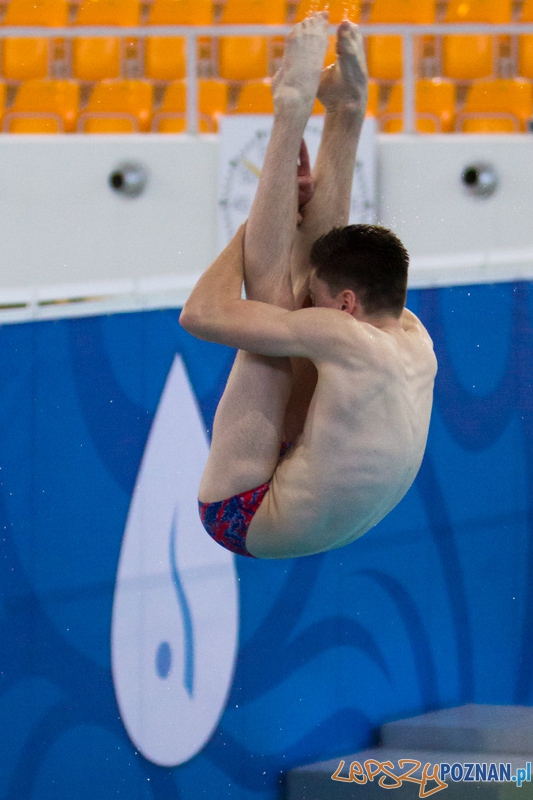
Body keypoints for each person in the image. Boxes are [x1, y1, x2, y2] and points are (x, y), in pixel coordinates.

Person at [180, 13, 437, 559]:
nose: (308, 298)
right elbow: (328, 268)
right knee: (300, 300)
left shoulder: (346, 337)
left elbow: (201, 313)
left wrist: (262, 217)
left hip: (240, 512)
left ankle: (300, 115)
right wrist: (288, 208)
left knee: (274, 317)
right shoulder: (413, 337)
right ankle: (342, 116)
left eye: (323, 300)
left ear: (348, 304)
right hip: (321, 506)